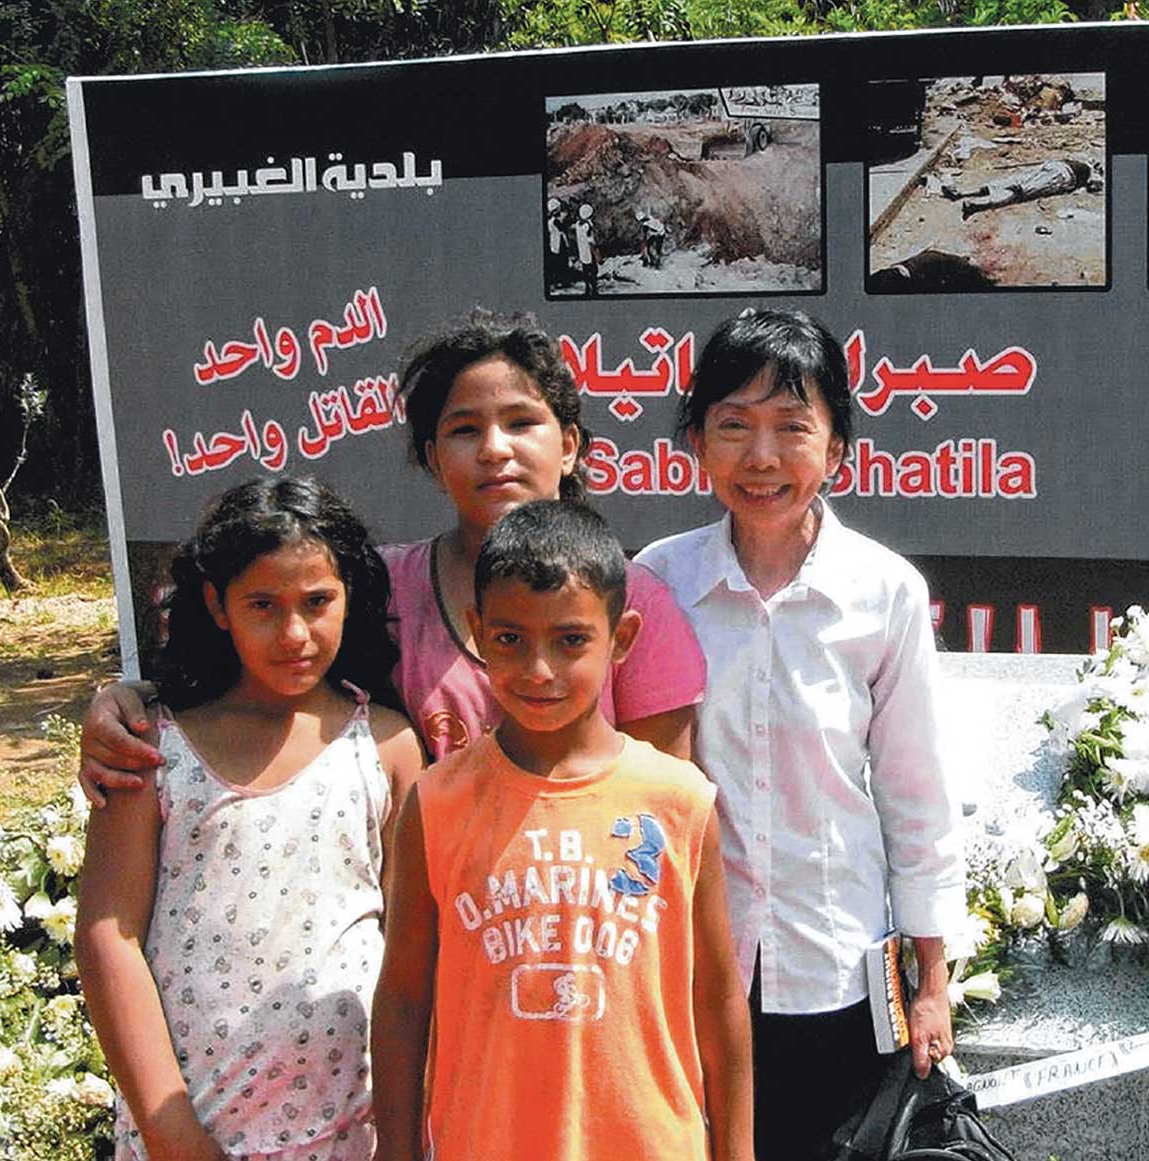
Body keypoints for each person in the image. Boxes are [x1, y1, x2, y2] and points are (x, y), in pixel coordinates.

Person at [77, 312, 705, 791]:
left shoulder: (634, 597)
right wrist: (127, 702)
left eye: (521, 422)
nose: (494, 449)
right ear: (432, 459)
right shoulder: (380, 588)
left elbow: (659, 803)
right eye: (464, 430)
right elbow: (258, 677)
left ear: (568, 445)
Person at [634, 309, 964, 1161]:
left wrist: (933, 981)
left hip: (838, 973)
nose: (762, 458)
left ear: (838, 449)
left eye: (792, 428)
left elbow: (915, 794)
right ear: (696, 444)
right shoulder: (656, 582)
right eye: (732, 427)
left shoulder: (883, 592)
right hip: (697, 969)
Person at [371, 500, 754, 1161]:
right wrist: (395, 1150)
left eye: (571, 639)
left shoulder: (678, 800)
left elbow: (718, 999)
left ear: (622, 638)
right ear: (477, 630)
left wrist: (739, 1150)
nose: (539, 669)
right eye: (510, 639)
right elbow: (404, 998)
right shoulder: (437, 801)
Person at [74, 477, 424, 1161]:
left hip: (351, 1130)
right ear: (217, 603)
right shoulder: (151, 749)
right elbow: (106, 938)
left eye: (317, 601)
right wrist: (171, 1131)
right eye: (263, 604)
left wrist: (401, 1133)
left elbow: (413, 957)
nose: (294, 632)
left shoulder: (386, 747)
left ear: (349, 595)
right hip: (189, 1125)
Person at [941, 157, 1092, 220]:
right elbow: (1091, 185)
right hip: (1061, 175)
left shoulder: (1083, 163)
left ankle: (960, 194)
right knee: (1018, 191)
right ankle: (974, 205)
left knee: (1005, 183)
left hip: (1054, 166)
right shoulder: (1090, 172)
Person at [574, 203, 600, 297]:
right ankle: (594, 290)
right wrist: (597, 253)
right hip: (589, 252)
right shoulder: (588, 226)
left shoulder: (578, 224)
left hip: (582, 251)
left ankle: (587, 289)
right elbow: (591, 241)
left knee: (585, 271)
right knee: (593, 271)